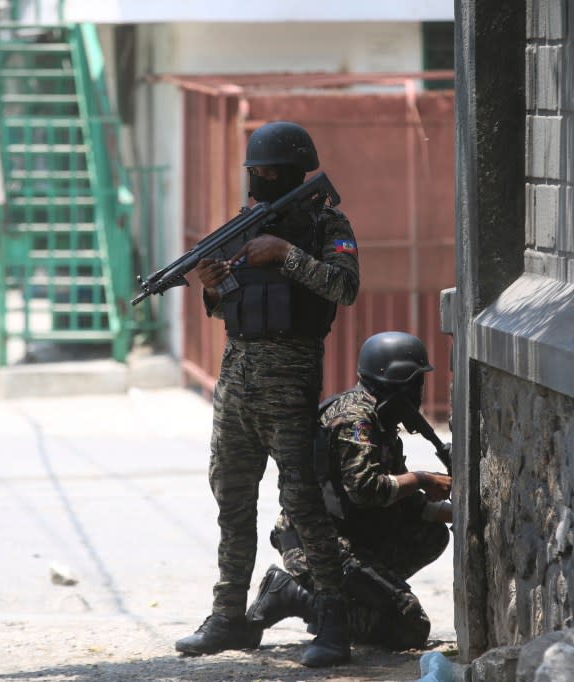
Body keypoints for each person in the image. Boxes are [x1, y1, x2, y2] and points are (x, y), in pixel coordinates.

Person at [174, 121, 360, 667]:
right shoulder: (243, 226)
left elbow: (343, 287)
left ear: (297, 173)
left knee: (301, 500)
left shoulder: (328, 222)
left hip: (290, 376)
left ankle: (333, 622)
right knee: (231, 498)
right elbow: (230, 301)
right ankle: (230, 615)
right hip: (237, 379)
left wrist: (284, 254)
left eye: (270, 172)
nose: (260, 180)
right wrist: (211, 285)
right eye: (255, 172)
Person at [246, 331, 453, 651]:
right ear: (398, 381)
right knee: (409, 627)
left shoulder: (381, 419)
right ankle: (296, 595)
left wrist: (454, 511)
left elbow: (400, 497)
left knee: (433, 533)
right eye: (416, 382)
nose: (420, 392)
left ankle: (359, 597)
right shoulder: (356, 418)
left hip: (353, 532)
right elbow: (366, 490)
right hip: (317, 545)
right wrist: (424, 479)